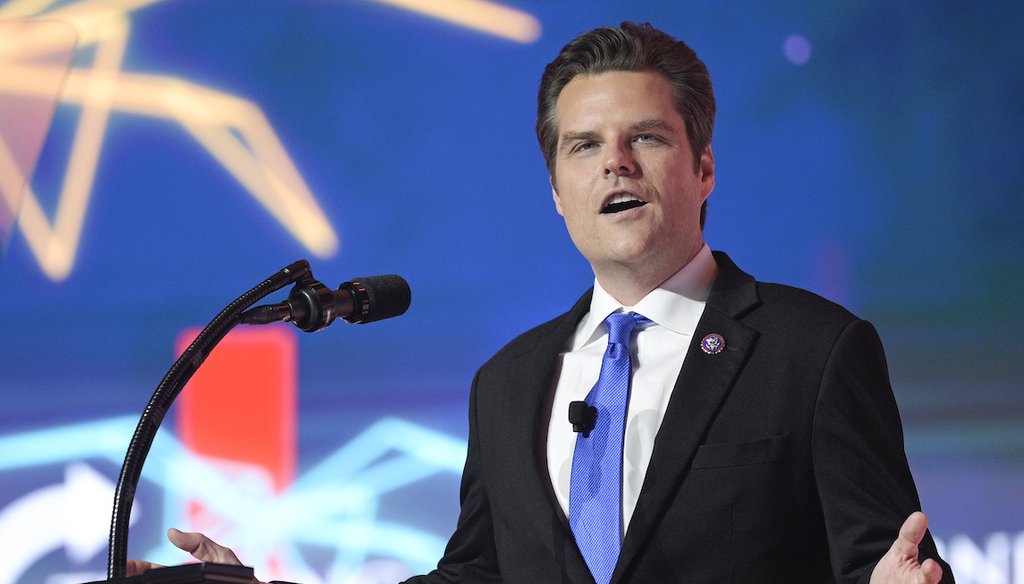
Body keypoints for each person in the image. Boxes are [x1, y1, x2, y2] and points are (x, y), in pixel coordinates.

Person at [129, 22, 953, 584]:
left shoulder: (813, 350)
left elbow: (890, 560)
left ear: (704, 168)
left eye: (647, 139)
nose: (615, 165)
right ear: (557, 192)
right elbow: (473, 578)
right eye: (584, 147)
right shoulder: (510, 383)